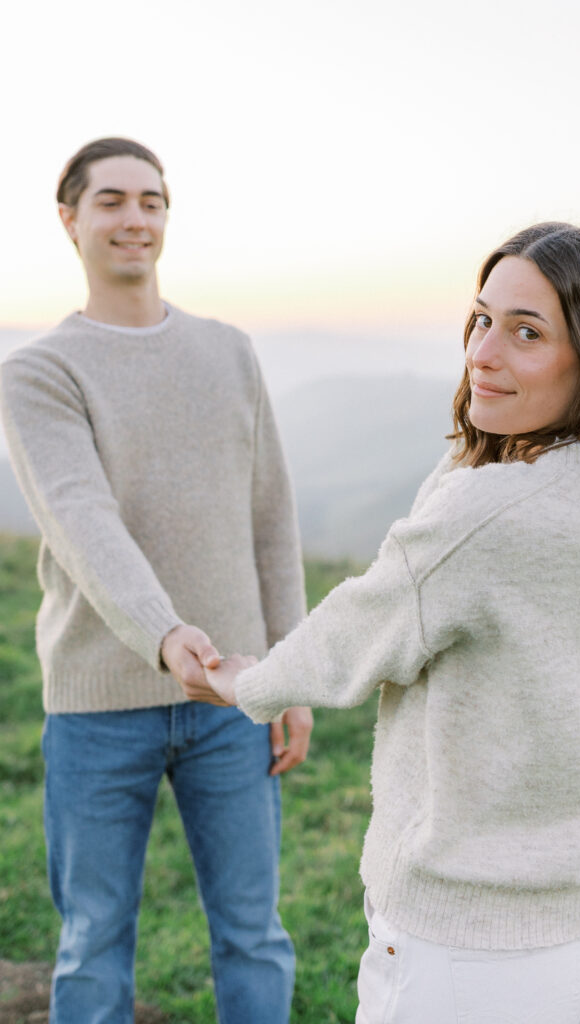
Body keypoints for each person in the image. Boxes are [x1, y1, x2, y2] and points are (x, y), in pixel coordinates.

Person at [184, 223, 580, 1023]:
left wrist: (244, 682)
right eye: (481, 319)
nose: (482, 351)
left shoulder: (492, 513)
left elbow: (366, 624)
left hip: (467, 946)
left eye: (526, 332)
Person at [0, 137, 313, 1024]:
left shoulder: (229, 352)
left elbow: (271, 517)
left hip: (234, 699)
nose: (135, 218)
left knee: (253, 934)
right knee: (93, 940)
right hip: (98, 707)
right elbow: (79, 519)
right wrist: (166, 635)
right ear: (70, 220)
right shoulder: (38, 371)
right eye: (110, 201)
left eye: (152, 200)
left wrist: (290, 671)